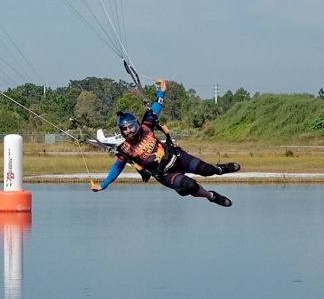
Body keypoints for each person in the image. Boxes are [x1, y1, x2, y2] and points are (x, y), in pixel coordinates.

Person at [91, 79, 239, 207]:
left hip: (177, 157)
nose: (129, 131)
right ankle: (211, 196)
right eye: (125, 129)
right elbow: (117, 168)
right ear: (121, 131)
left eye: (131, 126)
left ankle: (219, 169)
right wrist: (103, 185)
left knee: (205, 169)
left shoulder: (146, 127)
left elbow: (155, 109)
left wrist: (162, 91)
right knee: (190, 185)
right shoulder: (125, 149)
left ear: (136, 123)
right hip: (166, 173)